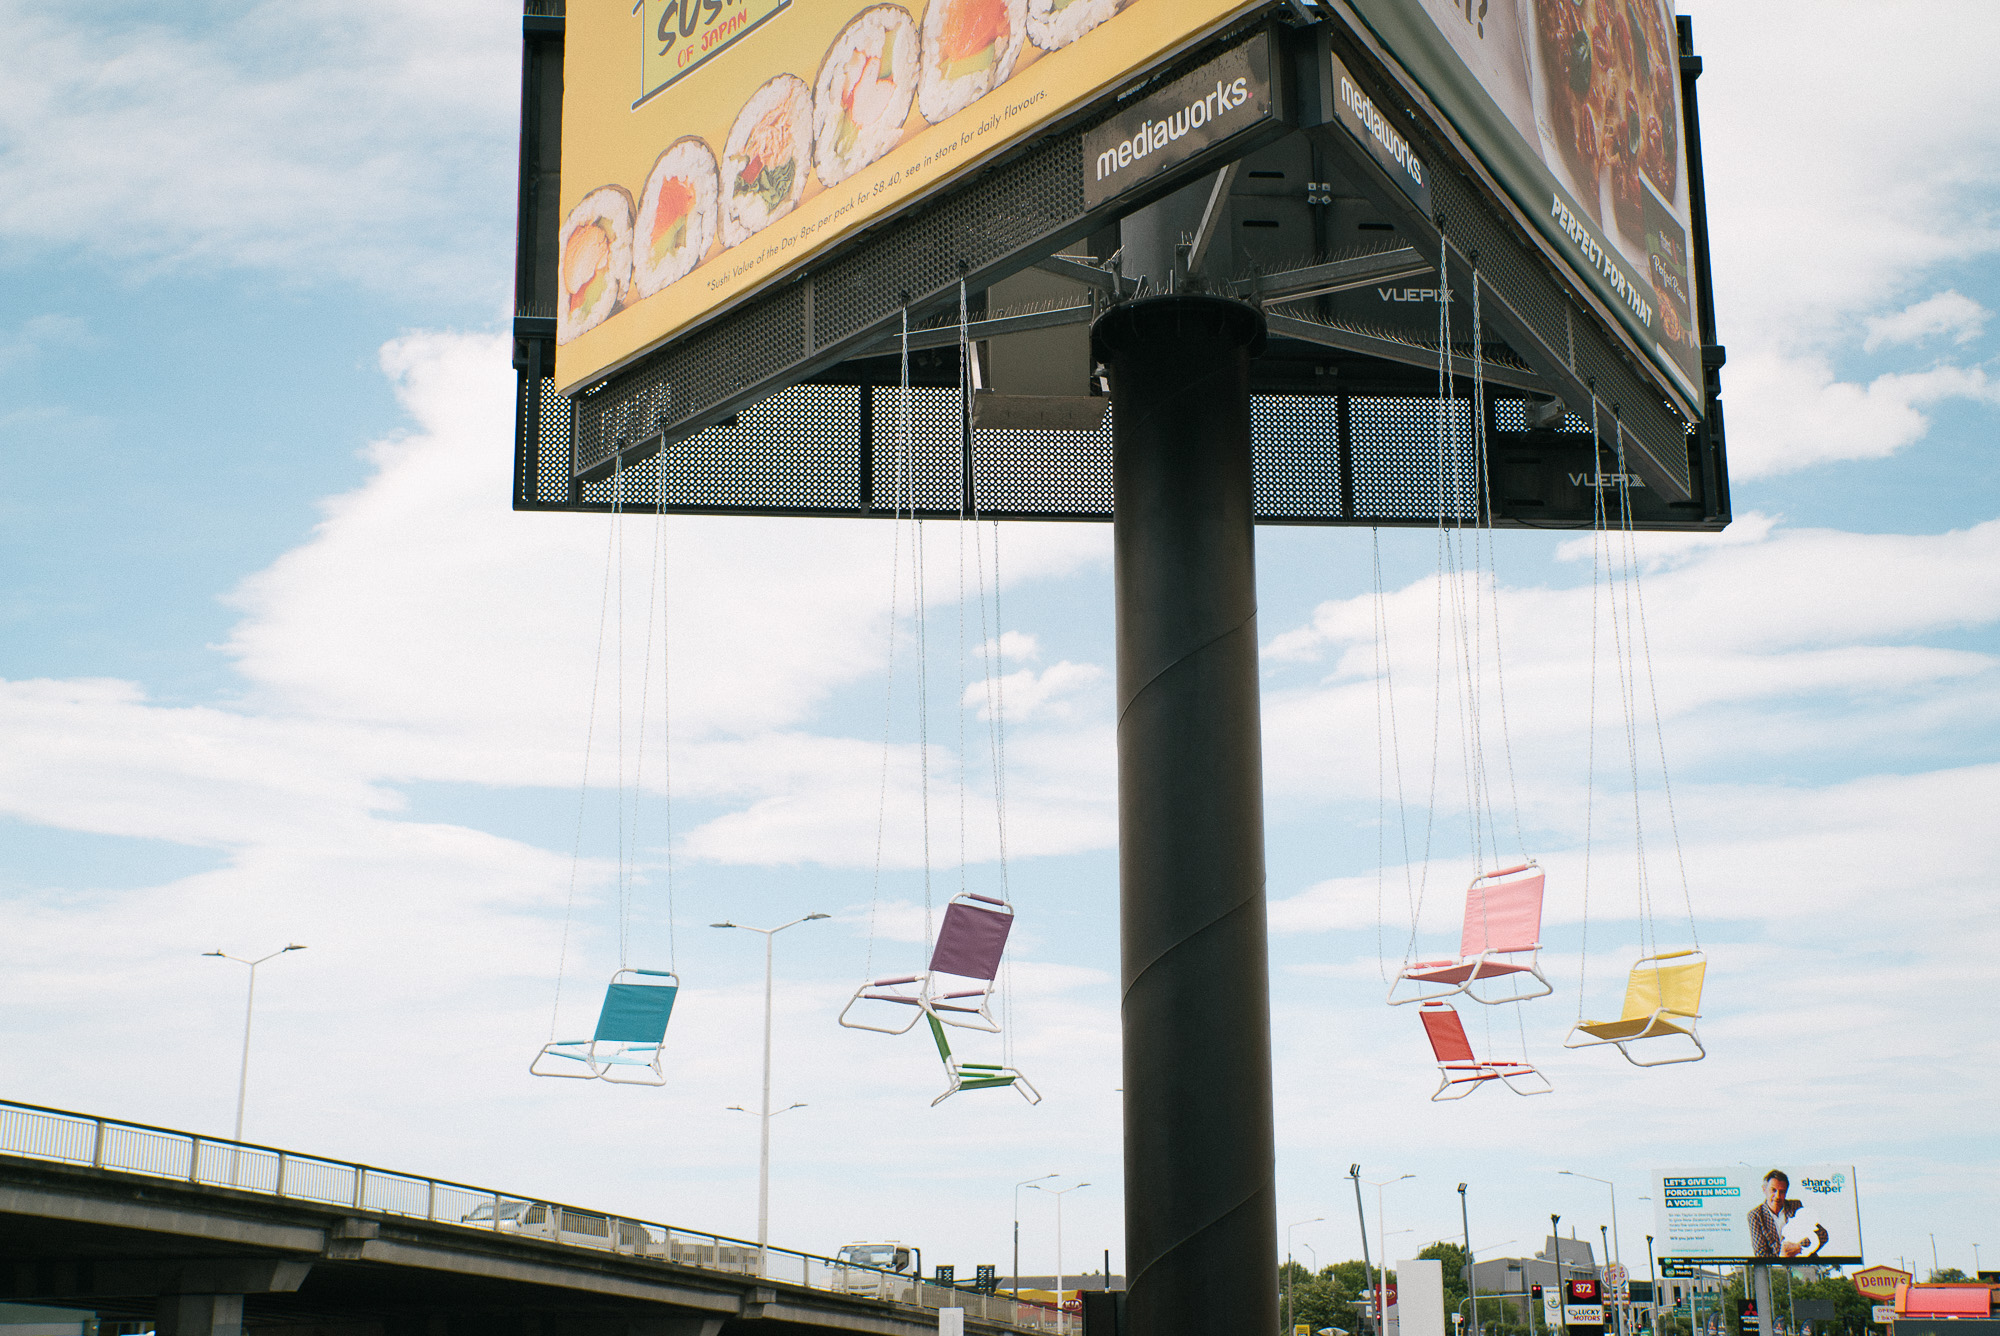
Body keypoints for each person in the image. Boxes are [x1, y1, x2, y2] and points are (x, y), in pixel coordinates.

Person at [1746, 1170, 1827, 1258]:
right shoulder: (1755, 1216)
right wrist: (1782, 1257)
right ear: (1764, 1189)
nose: (1777, 1196)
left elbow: (1822, 1234)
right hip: (1779, 1269)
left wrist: (1799, 1248)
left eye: (1782, 1192)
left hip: (1806, 1263)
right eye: (1773, 1190)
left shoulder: (1795, 1206)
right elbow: (1761, 1254)